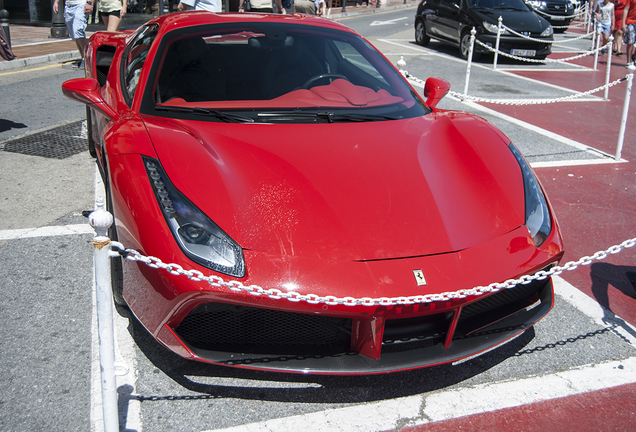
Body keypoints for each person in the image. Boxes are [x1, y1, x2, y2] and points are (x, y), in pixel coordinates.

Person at [53, 0, 94, 69]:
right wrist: (56, 2)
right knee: (75, 34)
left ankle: (87, 58)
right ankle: (83, 57)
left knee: (78, 30)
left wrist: (89, 3)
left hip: (81, 5)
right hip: (69, 6)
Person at [623, 0, 636, 66]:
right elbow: (626, 9)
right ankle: (628, 62)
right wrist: (623, 23)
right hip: (631, 22)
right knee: (630, 41)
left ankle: (634, 56)